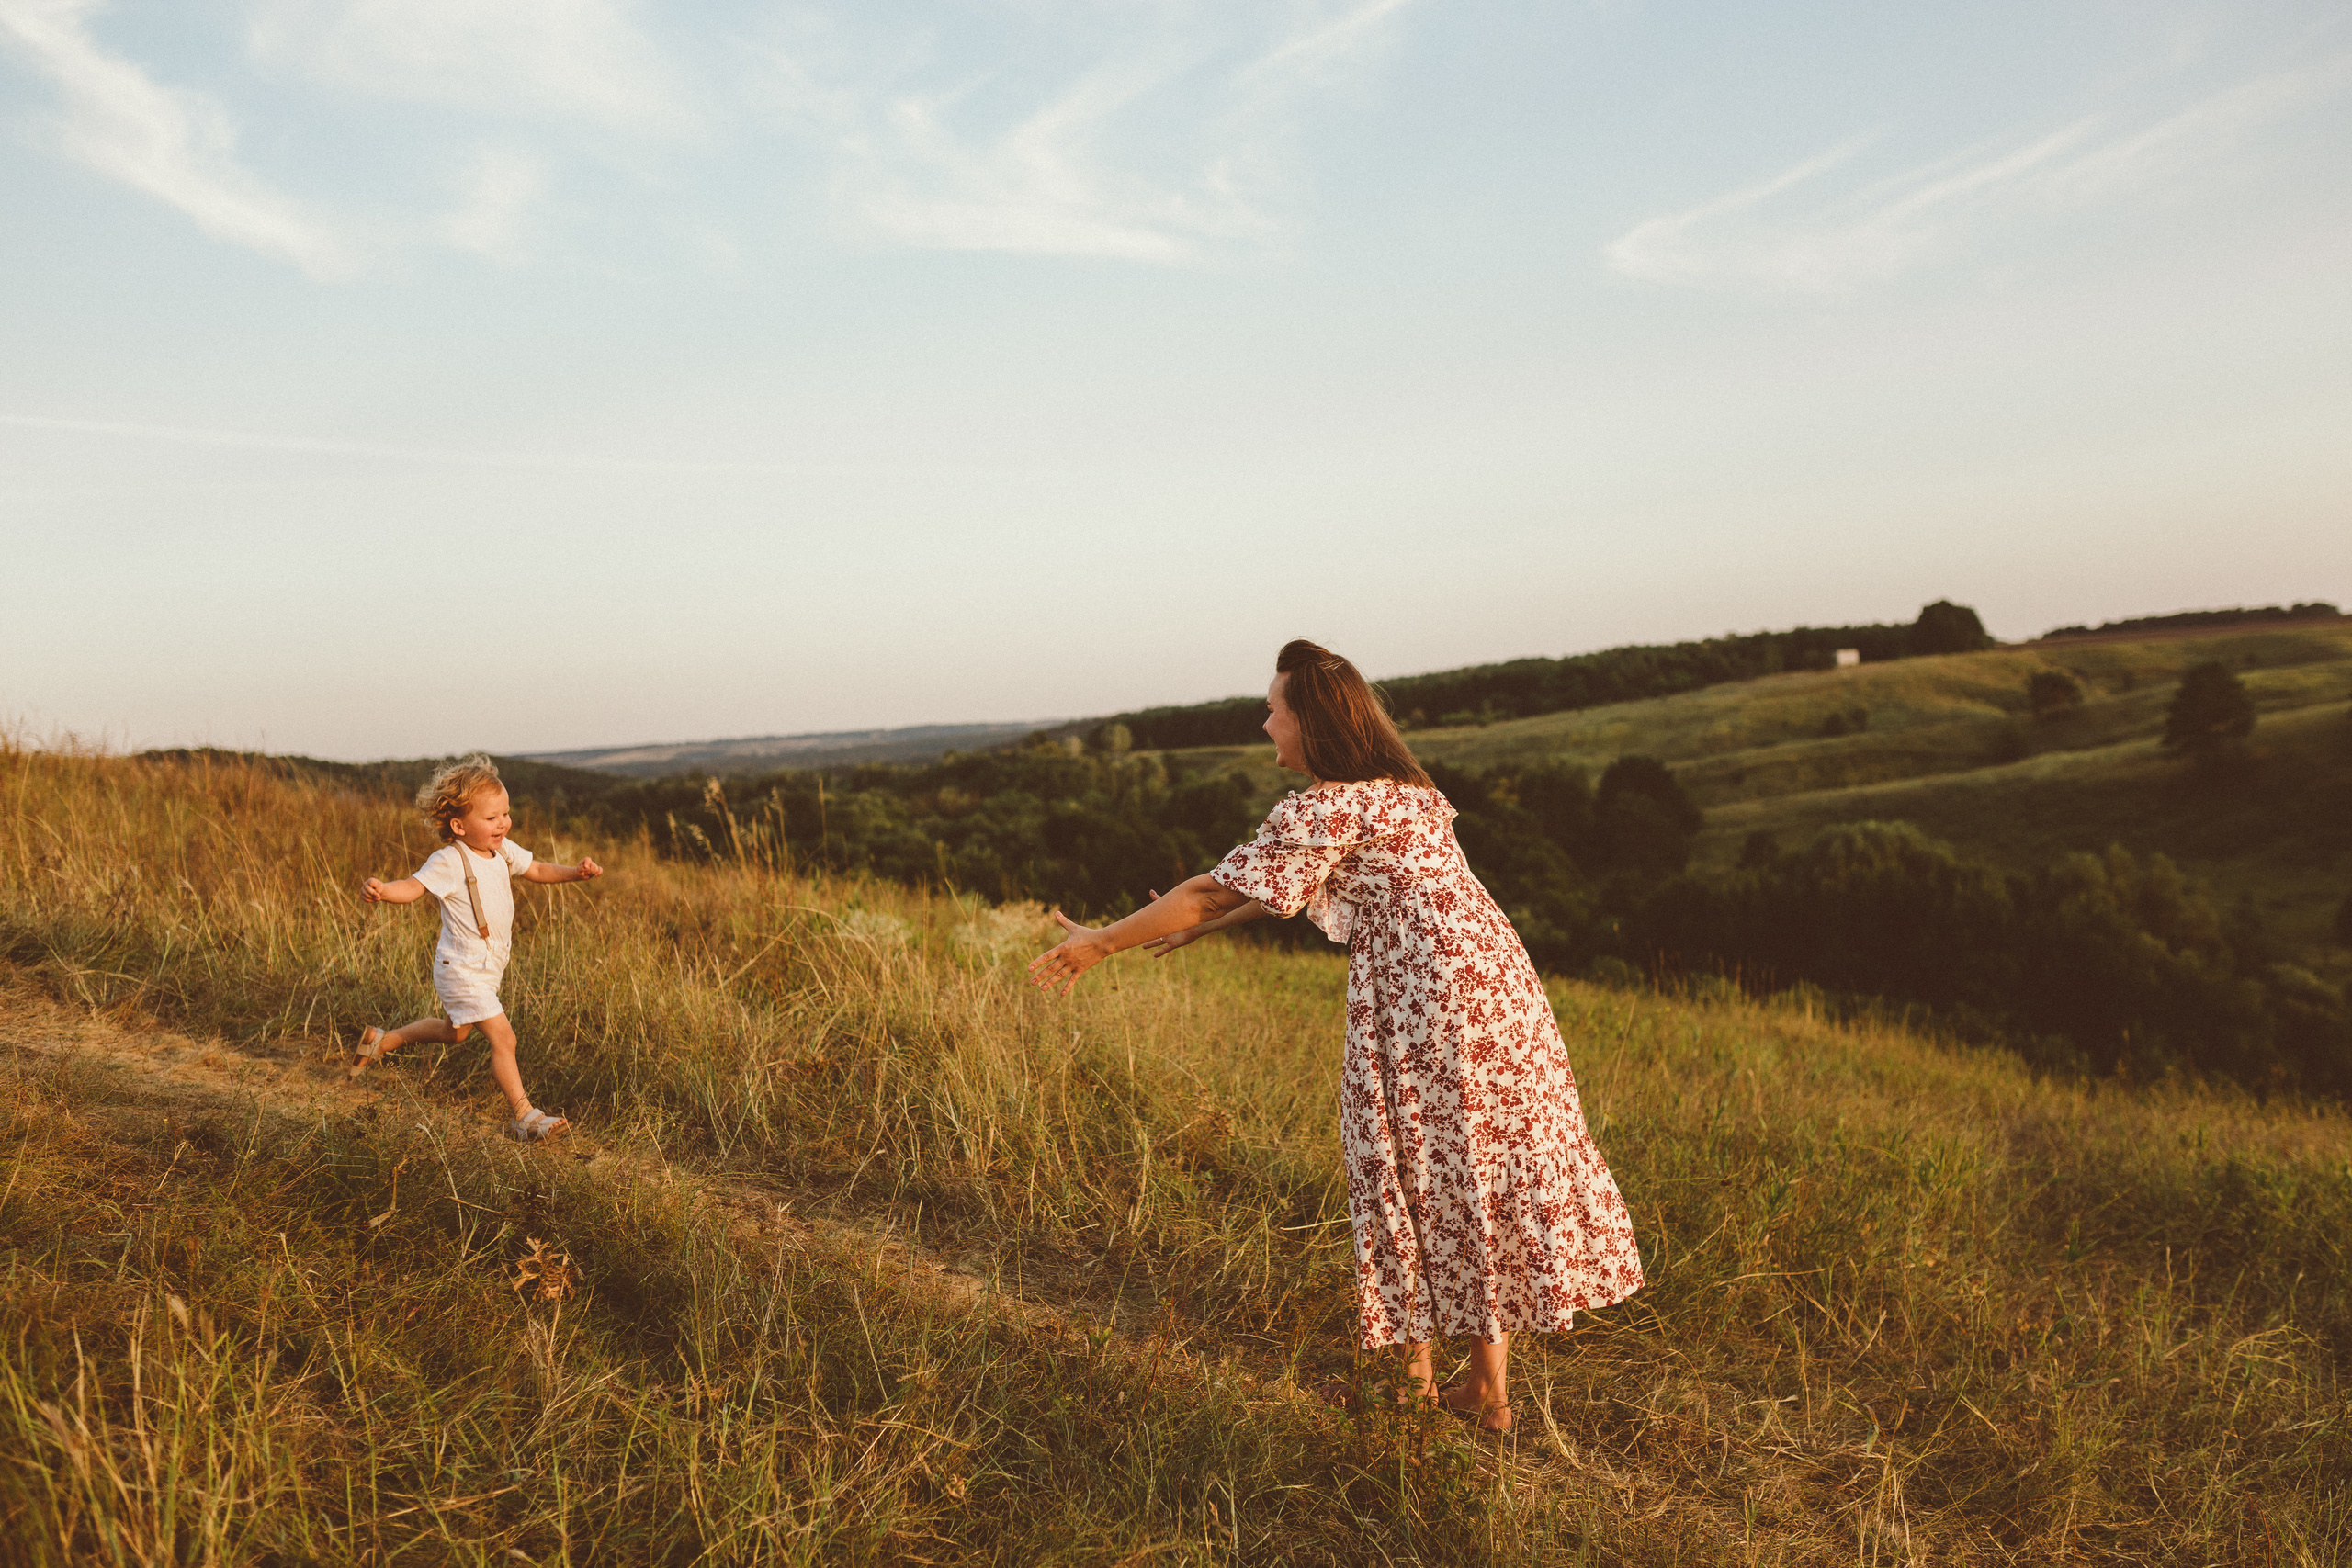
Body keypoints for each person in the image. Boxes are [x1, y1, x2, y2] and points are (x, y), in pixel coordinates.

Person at [1028, 640, 1643, 1431]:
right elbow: (1284, 884)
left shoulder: (1324, 806)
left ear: (1311, 724)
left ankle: (1410, 1388)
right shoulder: (1405, 793)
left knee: (1406, 1165)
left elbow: (1211, 893)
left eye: (1275, 709)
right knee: (1474, 1165)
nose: (1264, 722)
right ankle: (1487, 1394)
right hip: (1496, 995)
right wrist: (1198, 930)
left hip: (1425, 1005)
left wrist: (1099, 942)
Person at [352, 755, 603, 1142]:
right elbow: (414, 887)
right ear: (459, 825)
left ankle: (384, 1041)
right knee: (505, 1038)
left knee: (456, 1033)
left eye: (506, 813)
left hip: (488, 967)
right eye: (492, 818)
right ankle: (525, 1116)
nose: (504, 823)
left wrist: (576, 873)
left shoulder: (501, 850)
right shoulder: (450, 860)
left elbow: (536, 869)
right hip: (460, 967)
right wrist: (384, 891)